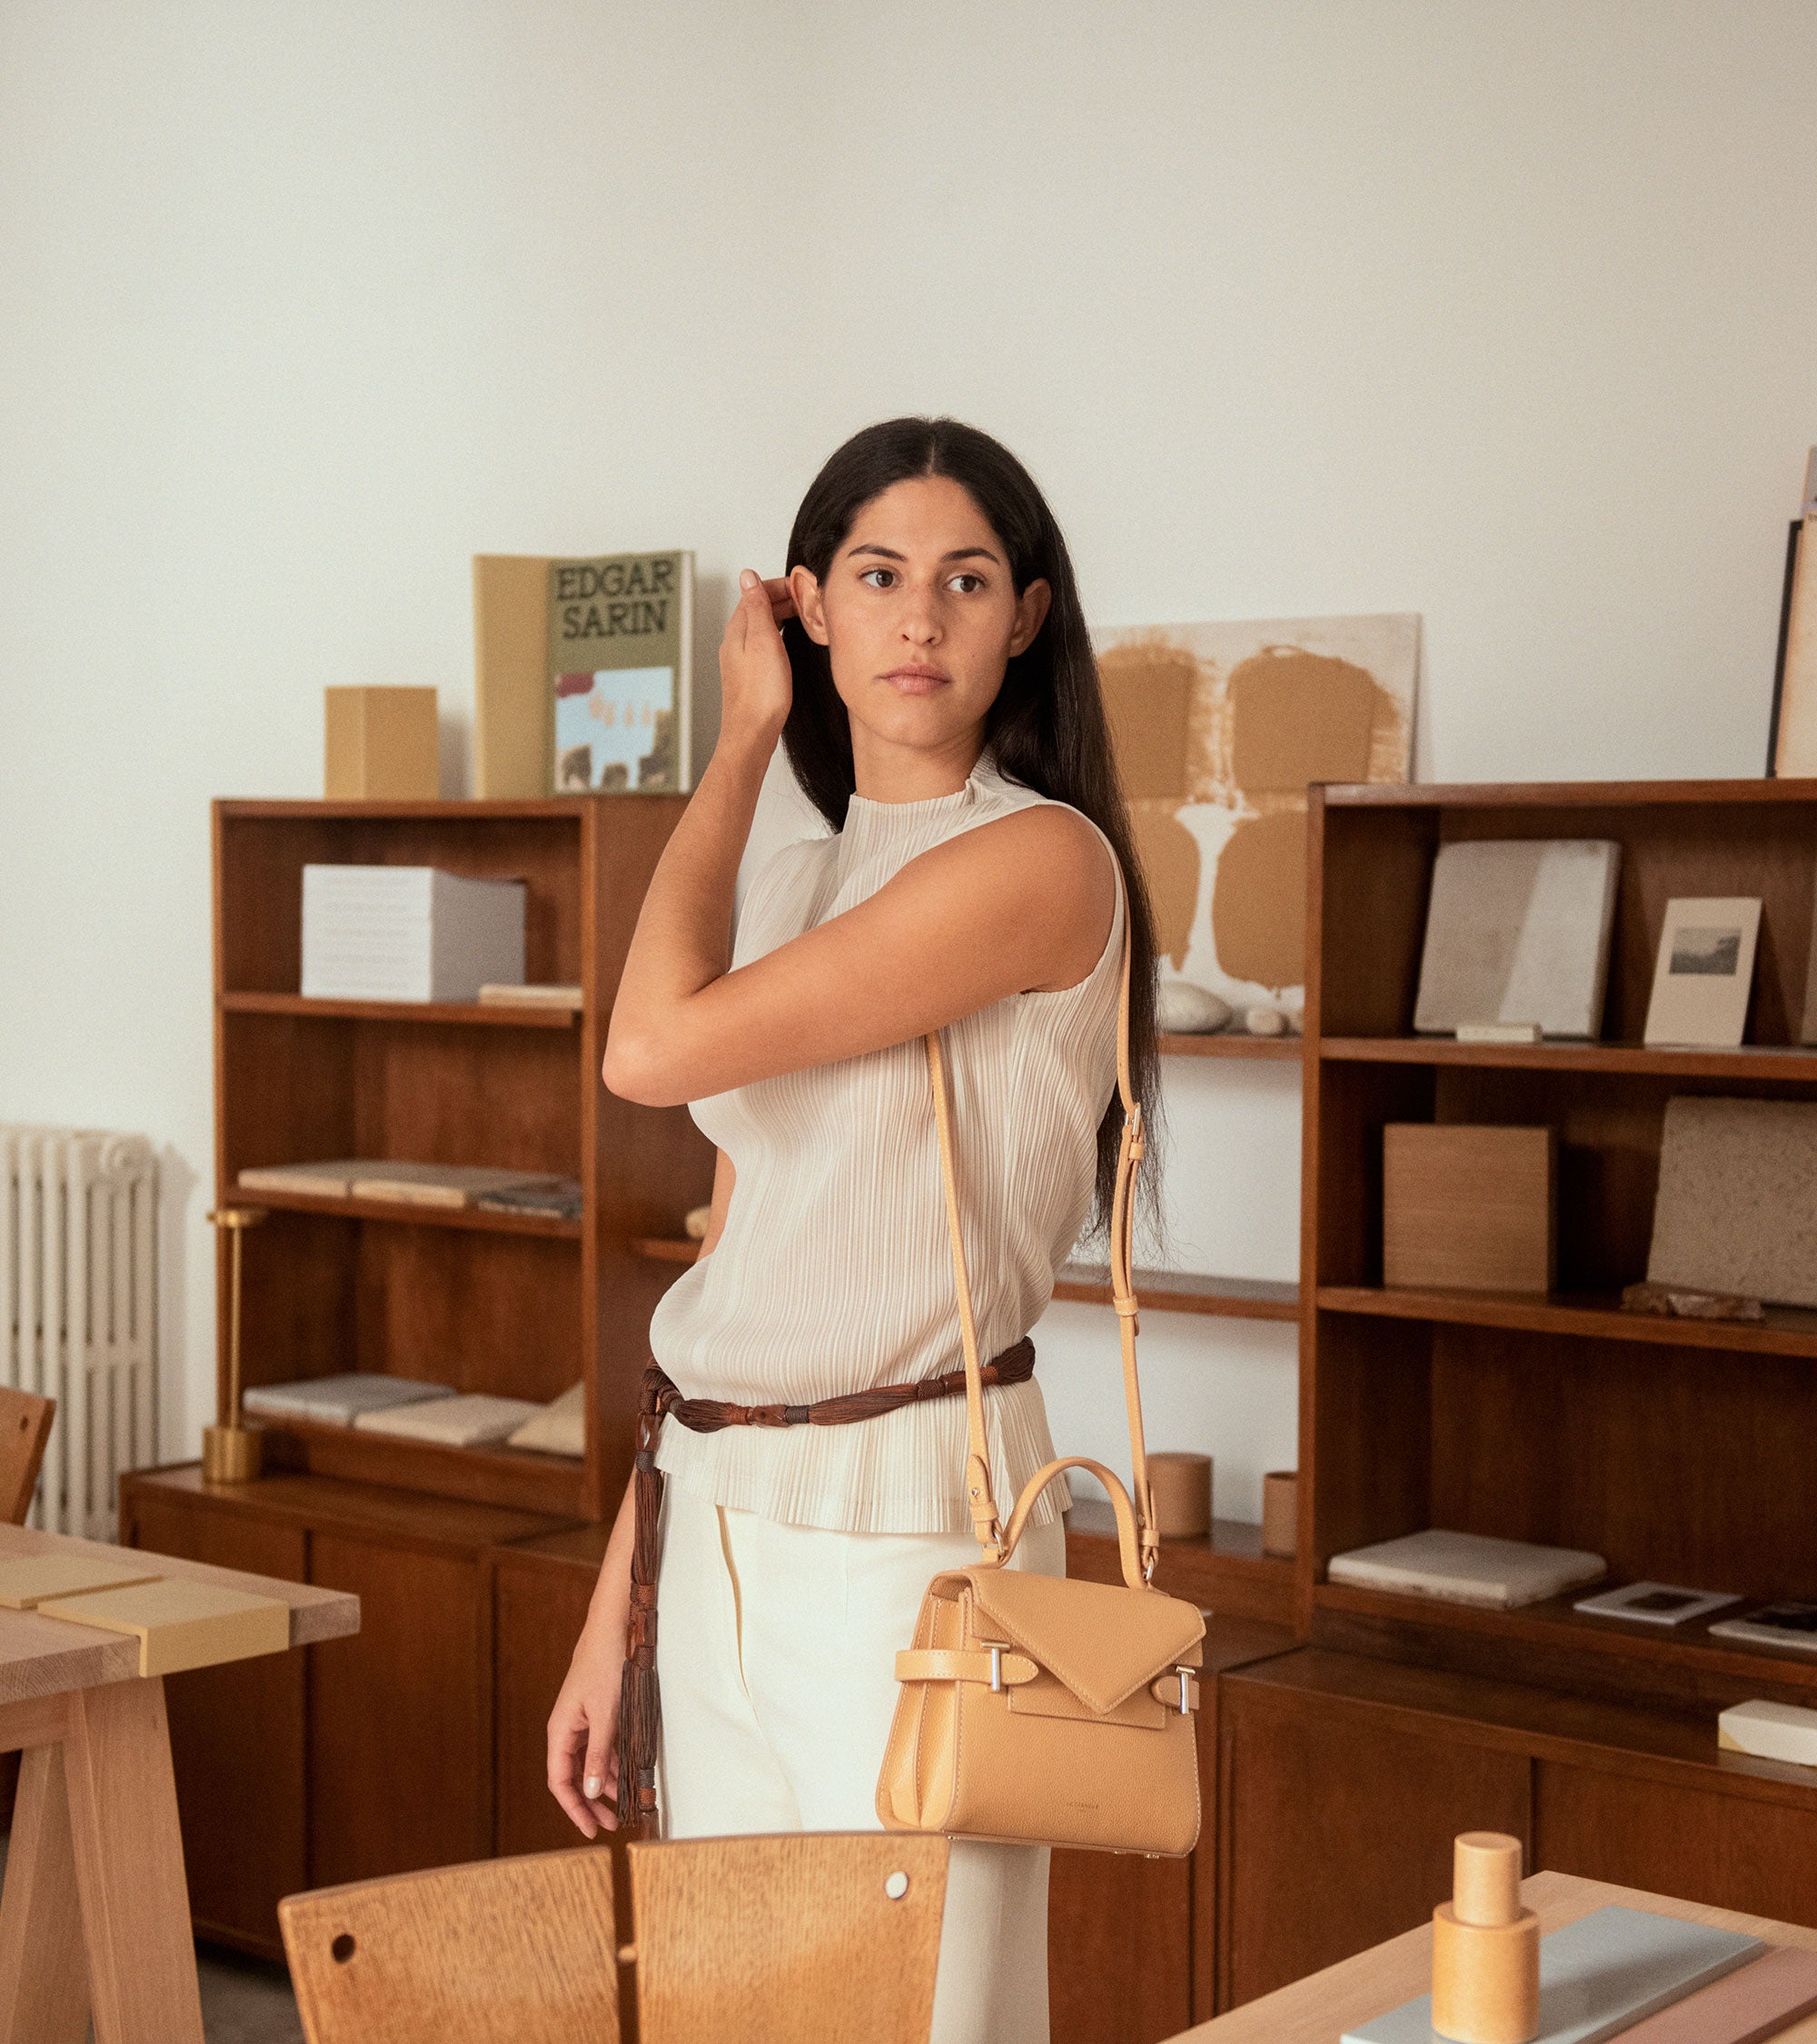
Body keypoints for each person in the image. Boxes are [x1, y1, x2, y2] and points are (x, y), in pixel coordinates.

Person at [547, 416, 1160, 2043]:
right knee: (721, 2015)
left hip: (917, 1545)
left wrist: (743, 735)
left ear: (1024, 616)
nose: (919, 619)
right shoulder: (794, 879)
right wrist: (619, 1616)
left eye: (966, 580)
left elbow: (645, 1048)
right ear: (810, 603)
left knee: (926, 2024)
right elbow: (733, 1271)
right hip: (717, 1522)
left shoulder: (1038, 859)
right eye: (877, 577)